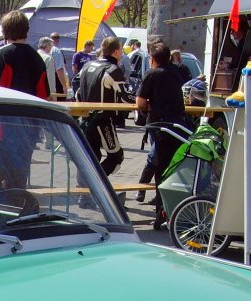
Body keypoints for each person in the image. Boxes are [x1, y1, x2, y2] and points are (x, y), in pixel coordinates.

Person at [0, 11, 49, 197]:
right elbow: (43, 97)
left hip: (1, 129)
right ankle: (14, 218)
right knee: (17, 183)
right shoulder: (37, 58)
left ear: (4, 31)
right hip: (28, 130)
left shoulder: (2, 54)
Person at [136, 42, 188, 223]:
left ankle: (162, 213)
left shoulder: (152, 74)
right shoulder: (176, 71)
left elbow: (140, 103)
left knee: (161, 169)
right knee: (174, 169)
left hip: (161, 126)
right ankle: (171, 209)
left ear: (152, 58)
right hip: (179, 125)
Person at [76, 37, 127, 175]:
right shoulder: (113, 69)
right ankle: (96, 187)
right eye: (121, 50)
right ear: (116, 52)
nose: (122, 53)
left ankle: (84, 191)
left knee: (90, 158)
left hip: (86, 119)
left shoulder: (87, 66)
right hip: (102, 121)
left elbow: (77, 91)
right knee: (116, 157)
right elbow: (125, 97)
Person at [48, 32, 68, 100]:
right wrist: (64, 86)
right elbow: (59, 69)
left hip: (48, 81)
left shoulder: (44, 50)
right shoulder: (57, 51)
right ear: (58, 40)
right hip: (57, 80)